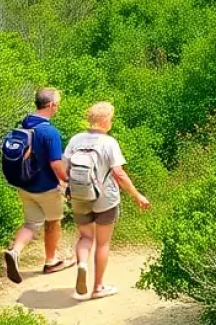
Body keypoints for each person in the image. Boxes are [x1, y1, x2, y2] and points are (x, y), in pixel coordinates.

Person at [64, 101, 151, 301]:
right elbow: (119, 174)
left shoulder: (76, 139)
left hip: (79, 197)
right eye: (111, 118)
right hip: (105, 199)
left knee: (85, 238)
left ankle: (82, 265)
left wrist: (66, 189)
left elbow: (64, 166)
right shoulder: (109, 143)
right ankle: (98, 287)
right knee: (102, 244)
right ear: (104, 121)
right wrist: (137, 195)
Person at [3, 88, 71, 283]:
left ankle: (15, 252)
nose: (57, 108)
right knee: (53, 222)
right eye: (57, 104)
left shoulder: (23, 123)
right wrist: (68, 181)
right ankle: (51, 261)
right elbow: (56, 164)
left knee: (31, 223)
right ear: (51, 105)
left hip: (24, 185)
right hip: (46, 188)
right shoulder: (50, 132)